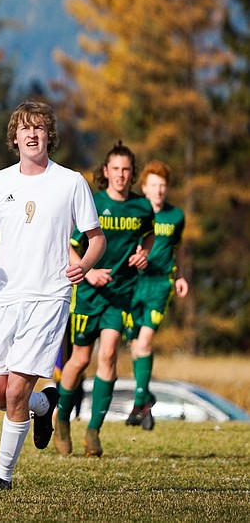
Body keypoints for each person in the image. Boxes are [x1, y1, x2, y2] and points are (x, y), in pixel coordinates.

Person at [0, 101, 104, 491]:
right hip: (4, 297)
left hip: (49, 297)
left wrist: (85, 264)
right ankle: (44, 405)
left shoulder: (71, 182)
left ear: (49, 137)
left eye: (40, 129)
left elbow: (96, 239)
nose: (32, 134)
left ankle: (2, 475)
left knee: (15, 389)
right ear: (15, 137)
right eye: (25, 128)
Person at [53, 141, 154, 458]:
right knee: (80, 360)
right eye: (116, 169)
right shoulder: (92, 203)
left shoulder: (142, 208)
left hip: (121, 295)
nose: (121, 175)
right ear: (106, 172)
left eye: (127, 170)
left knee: (109, 354)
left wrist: (144, 253)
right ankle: (62, 421)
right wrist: (87, 270)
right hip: (88, 293)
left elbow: (149, 236)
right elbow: (67, 246)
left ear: (132, 174)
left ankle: (94, 432)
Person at [124, 159, 186, 431]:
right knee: (135, 347)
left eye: (163, 186)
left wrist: (180, 276)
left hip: (160, 285)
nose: (159, 191)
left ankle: (139, 402)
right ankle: (146, 398)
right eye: (154, 186)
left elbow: (178, 248)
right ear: (145, 189)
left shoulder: (176, 216)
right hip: (133, 285)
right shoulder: (136, 212)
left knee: (146, 342)